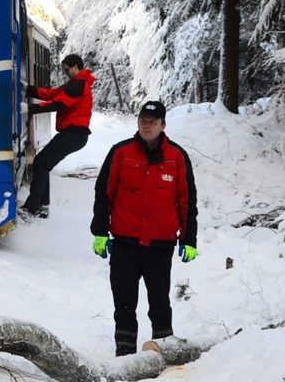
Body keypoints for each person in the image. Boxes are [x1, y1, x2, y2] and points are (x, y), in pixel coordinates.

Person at [90, 100, 198, 356]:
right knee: (124, 304)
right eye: (143, 121)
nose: (146, 126)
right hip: (125, 243)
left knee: (159, 302)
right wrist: (99, 232)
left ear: (163, 125)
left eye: (152, 122)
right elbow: (104, 193)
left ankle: (163, 352)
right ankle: (125, 356)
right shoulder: (121, 152)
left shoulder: (177, 157)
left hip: (160, 246)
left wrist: (189, 238)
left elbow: (187, 200)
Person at [22, 53, 95, 218]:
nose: (65, 72)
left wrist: (31, 109)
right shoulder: (74, 83)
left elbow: (59, 104)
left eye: (67, 69)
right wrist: (28, 89)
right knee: (42, 163)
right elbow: (52, 94)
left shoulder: (80, 85)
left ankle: (32, 208)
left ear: (76, 66)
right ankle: (41, 206)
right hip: (72, 134)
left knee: (41, 163)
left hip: (74, 134)